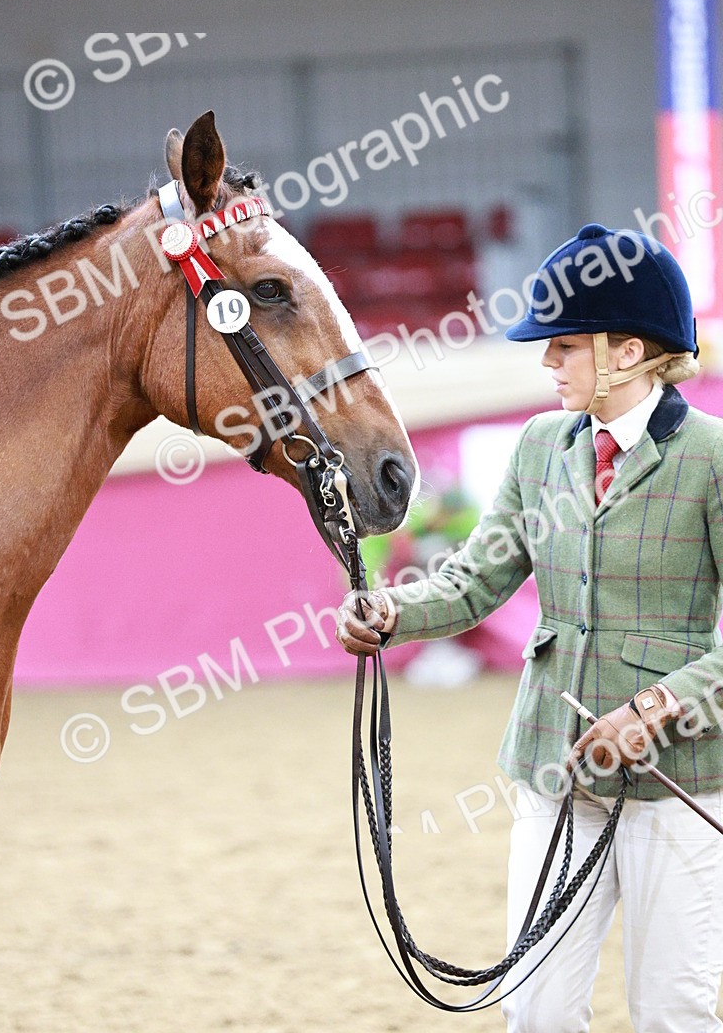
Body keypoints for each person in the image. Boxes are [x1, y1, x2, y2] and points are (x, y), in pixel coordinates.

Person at [336, 223, 723, 1033]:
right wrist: (393, 611)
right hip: (555, 765)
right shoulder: (541, 445)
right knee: (537, 1010)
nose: (547, 359)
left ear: (628, 352)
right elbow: (477, 580)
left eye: (565, 345)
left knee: (672, 1013)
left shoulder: (712, 457)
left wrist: (656, 707)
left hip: (680, 781)